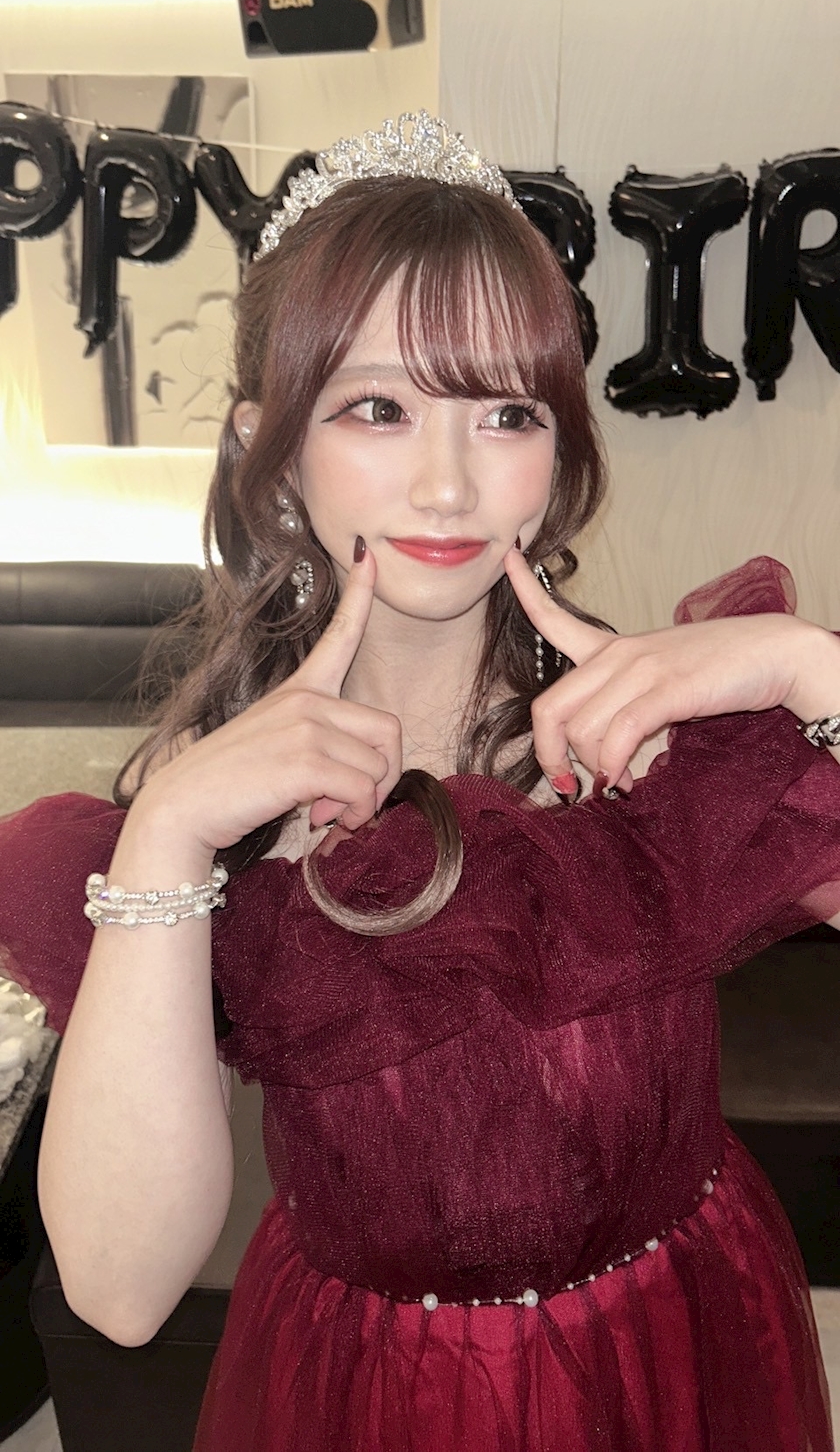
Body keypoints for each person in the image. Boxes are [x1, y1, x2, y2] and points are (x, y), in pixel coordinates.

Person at [1, 111, 839, 1452]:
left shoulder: (656, 738)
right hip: (377, 1398)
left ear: (557, 448)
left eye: (505, 413)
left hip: (686, 1359)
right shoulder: (203, 809)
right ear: (271, 448)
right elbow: (118, 1286)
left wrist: (810, 669)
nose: (448, 485)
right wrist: (166, 839)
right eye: (378, 408)